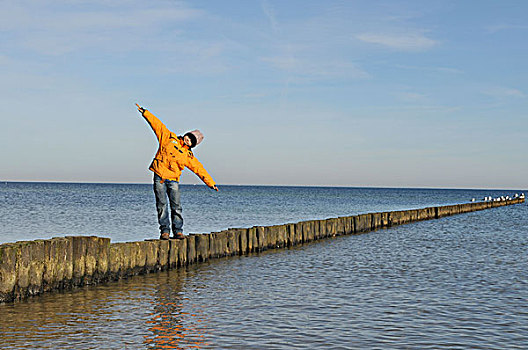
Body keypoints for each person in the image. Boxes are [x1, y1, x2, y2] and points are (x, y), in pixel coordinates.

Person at [136, 103, 218, 240]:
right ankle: (165, 232)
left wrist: (210, 183)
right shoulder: (169, 138)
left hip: (173, 180)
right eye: (188, 136)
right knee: (161, 206)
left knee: (176, 207)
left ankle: (178, 231)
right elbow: (157, 125)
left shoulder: (188, 156)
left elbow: (199, 169)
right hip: (160, 178)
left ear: (193, 145)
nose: (188, 140)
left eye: (191, 140)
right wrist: (145, 113)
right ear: (186, 134)